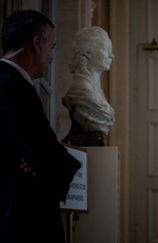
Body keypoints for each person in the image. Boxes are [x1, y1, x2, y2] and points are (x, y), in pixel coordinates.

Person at [0, 10, 81, 243]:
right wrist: (38, 160)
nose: (52, 56)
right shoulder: (15, 87)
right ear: (37, 43)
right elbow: (46, 153)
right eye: (52, 46)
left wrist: (37, 158)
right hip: (21, 219)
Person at [62, 26, 115, 146]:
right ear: (88, 52)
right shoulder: (81, 90)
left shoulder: (94, 90)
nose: (111, 55)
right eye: (106, 49)